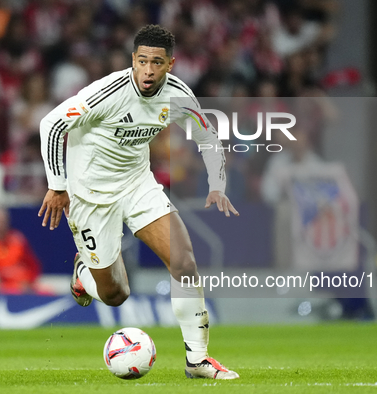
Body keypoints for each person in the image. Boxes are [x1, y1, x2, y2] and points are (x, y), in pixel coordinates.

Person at [38, 25, 239, 380]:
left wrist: (217, 184)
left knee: (185, 261)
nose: (148, 70)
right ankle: (84, 273)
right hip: (91, 196)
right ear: (133, 60)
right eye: (142, 61)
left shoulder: (177, 95)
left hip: (137, 184)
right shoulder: (107, 93)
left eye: (157, 62)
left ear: (170, 64)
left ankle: (198, 360)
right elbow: (52, 124)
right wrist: (57, 186)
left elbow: (208, 135)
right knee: (116, 294)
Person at [0, 207, 42, 294]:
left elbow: (33, 265)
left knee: (47, 290)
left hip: (23, 284)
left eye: (2, 220)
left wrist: (28, 280)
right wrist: (8, 274)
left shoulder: (18, 239)